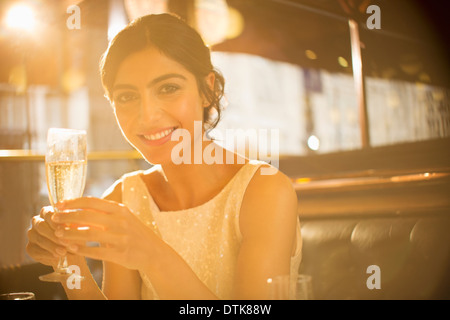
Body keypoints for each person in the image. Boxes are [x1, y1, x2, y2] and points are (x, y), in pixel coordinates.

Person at [26, 13, 302, 300]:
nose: (147, 115)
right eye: (127, 96)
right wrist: (69, 262)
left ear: (209, 89)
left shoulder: (265, 191)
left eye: (168, 88)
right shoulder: (125, 197)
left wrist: (153, 256)